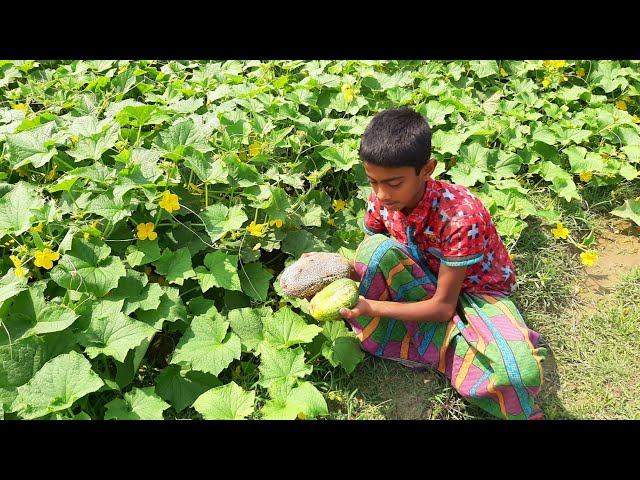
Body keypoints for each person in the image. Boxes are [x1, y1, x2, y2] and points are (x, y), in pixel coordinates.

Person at [307, 107, 547, 420]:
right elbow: (370, 260)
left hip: (475, 291)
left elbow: (443, 308)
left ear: (427, 169)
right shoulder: (380, 199)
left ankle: (429, 344)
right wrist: (327, 269)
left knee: (516, 374)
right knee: (373, 249)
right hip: (421, 276)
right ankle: (449, 345)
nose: (381, 194)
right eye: (373, 181)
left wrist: (369, 308)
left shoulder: (461, 217)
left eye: (394, 183)